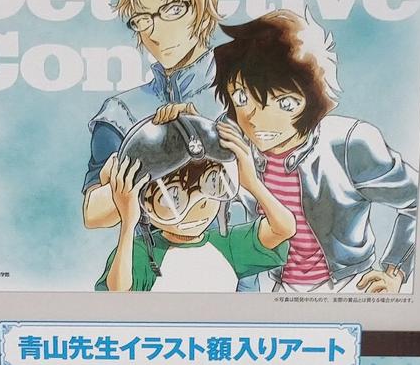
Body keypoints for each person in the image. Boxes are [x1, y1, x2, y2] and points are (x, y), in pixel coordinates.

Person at [212, 9, 419, 294]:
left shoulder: (349, 145)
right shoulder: (234, 138)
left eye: (284, 103)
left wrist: (395, 271)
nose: (256, 119)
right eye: (241, 97)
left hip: (347, 286)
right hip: (275, 287)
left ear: (314, 101)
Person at [82, 0, 226, 231]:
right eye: (142, 19)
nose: (155, 32)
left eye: (172, 10)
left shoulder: (243, 93)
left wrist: (209, 132)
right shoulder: (121, 112)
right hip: (152, 256)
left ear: (202, 9)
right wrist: (147, 158)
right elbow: (94, 214)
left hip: (233, 252)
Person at [95, 111, 293, 292]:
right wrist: (128, 223)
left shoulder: (227, 244)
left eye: (214, 183)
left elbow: (283, 229)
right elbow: (118, 294)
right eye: (173, 198)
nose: (199, 206)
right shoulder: (142, 253)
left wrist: (253, 183)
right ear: (142, 202)